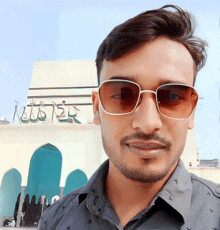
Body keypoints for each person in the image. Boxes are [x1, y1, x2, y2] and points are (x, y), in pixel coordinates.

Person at [38, 5, 220, 230]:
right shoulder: (55, 220)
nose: (147, 123)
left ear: (191, 111)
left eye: (172, 96)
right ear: (97, 108)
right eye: (123, 94)